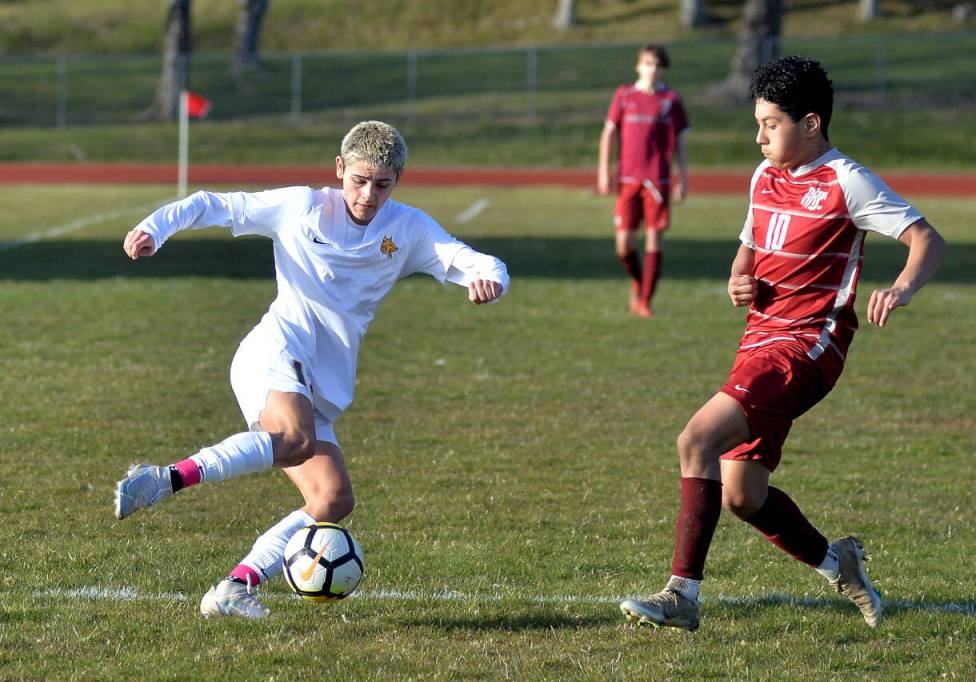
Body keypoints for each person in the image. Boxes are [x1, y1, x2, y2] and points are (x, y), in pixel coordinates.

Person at [114, 121, 510, 619]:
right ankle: (164, 479)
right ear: (340, 169)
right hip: (273, 352)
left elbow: (475, 261)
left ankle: (236, 586)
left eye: (383, 184)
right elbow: (215, 204)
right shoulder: (302, 207)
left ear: (398, 181)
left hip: (322, 379)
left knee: (332, 498)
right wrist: (156, 226)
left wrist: (489, 280)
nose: (368, 195)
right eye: (359, 180)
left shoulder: (407, 231)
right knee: (297, 440)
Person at [619, 56, 946, 630]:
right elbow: (748, 249)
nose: (760, 136)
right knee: (742, 494)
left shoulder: (847, 180)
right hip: (758, 341)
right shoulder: (763, 176)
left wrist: (900, 287)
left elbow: (926, 239)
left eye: (771, 123)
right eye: (758, 123)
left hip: (807, 347)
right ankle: (836, 561)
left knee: (696, 438)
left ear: (811, 123)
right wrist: (737, 279)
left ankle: (682, 596)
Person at [598, 43, 689, 318]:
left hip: (658, 181)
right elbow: (609, 134)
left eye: (658, 64)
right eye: (648, 63)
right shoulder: (624, 95)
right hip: (627, 180)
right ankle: (639, 280)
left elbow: (681, 142)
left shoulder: (671, 100)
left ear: (663, 69)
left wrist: (681, 178)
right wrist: (604, 171)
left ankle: (645, 300)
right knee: (624, 245)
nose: (653, 69)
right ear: (638, 66)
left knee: (653, 241)